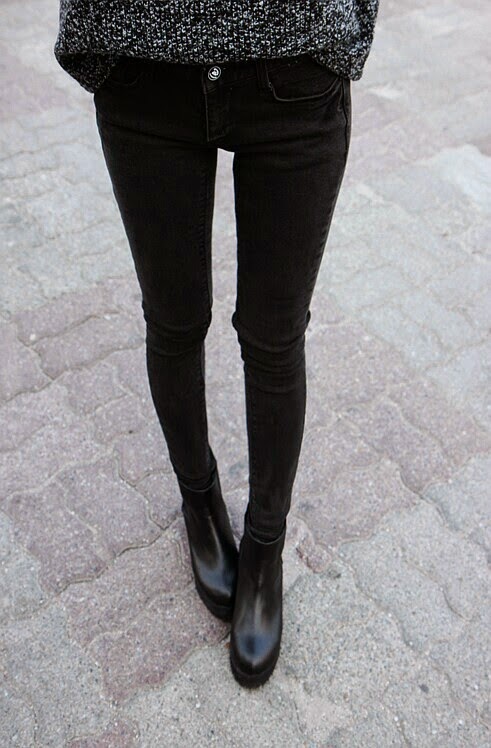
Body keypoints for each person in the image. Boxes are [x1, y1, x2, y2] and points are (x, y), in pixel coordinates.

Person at [53, 1, 380, 689]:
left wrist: (346, 27)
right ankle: (199, 501)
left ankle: (265, 543)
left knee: (273, 337)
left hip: (295, 58)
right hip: (143, 60)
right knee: (174, 321)